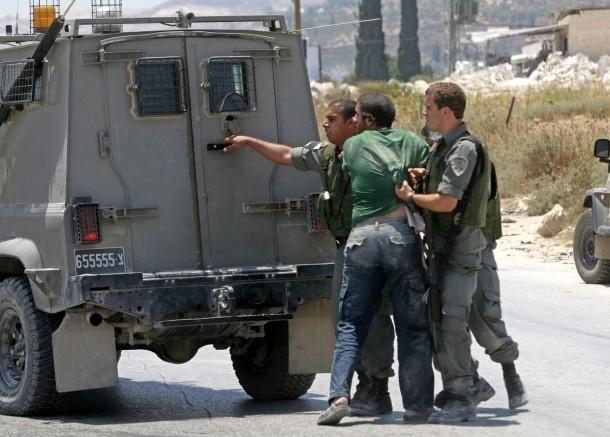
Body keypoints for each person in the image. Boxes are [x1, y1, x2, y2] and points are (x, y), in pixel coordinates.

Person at [223, 100, 397, 415]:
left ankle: (377, 387)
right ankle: (364, 385)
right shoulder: (328, 155)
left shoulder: (375, 154)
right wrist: (248, 141)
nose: (325, 124)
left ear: (353, 122)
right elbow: (287, 155)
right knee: (343, 319)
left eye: (332, 119)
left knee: (373, 319)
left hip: (373, 246)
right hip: (347, 248)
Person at [317, 92, 433, 426]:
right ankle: (417, 406)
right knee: (412, 327)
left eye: (357, 116)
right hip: (400, 235)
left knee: (350, 324)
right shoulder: (412, 141)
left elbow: (349, 171)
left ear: (367, 120)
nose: (353, 121)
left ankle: (339, 397)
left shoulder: (353, 145)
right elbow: (428, 169)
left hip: (362, 237)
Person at [396, 82, 493, 424]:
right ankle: (468, 381)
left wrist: (411, 197)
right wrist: (425, 176)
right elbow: (443, 185)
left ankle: (462, 393)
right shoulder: (445, 146)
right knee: (438, 318)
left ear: (447, 112)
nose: (425, 113)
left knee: (451, 320)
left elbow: (447, 201)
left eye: (429, 108)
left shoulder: (464, 149)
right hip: (444, 247)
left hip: (459, 249)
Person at [420, 120, 529, 412]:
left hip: (477, 245)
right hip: (447, 250)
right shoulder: (437, 161)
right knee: (446, 318)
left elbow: (478, 207)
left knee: (485, 315)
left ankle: (510, 373)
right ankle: (470, 382)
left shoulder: (470, 156)